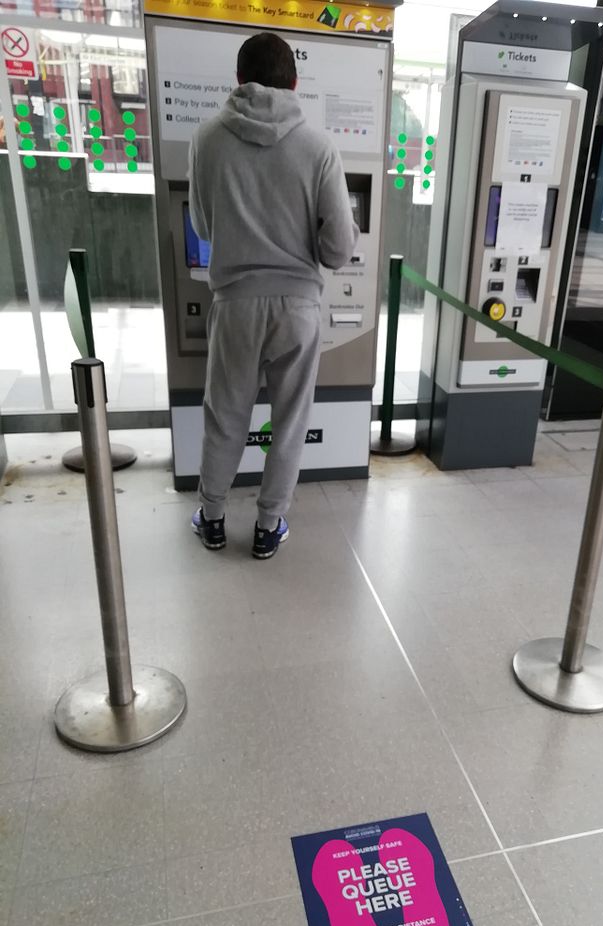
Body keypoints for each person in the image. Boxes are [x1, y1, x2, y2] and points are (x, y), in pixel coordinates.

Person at [188, 33, 358, 559]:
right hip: (298, 308)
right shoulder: (318, 145)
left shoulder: (207, 138)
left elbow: (201, 224)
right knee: (288, 422)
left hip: (235, 302)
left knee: (225, 416)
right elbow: (339, 246)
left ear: (239, 81)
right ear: (295, 82)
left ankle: (212, 519)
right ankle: (268, 528)